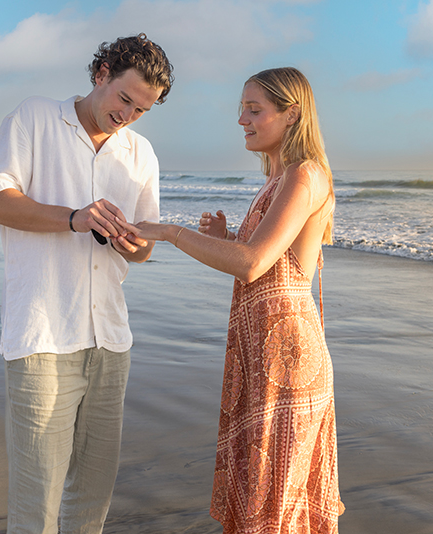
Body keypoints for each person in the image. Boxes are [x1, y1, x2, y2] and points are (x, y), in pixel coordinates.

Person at [129, 67, 343, 533]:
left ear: (292, 115)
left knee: (276, 494)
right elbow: (265, 261)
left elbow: (252, 265)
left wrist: (170, 232)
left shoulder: (303, 175)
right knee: (265, 490)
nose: (242, 120)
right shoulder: (280, 177)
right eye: (241, 109)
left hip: (286, 359)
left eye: (254, 110)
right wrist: (224, 238)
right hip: (263, 353)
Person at [0, 33, 173, 534]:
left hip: (110, 339)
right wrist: (74, 218)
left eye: (142, 109)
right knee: (37, 499)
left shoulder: (141, 153)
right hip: (42, 336)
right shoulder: (35, 117)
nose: (128, 114)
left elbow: (146, 248)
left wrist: (133, 242)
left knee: (92, 500)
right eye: (125, 98)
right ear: (101, 72)